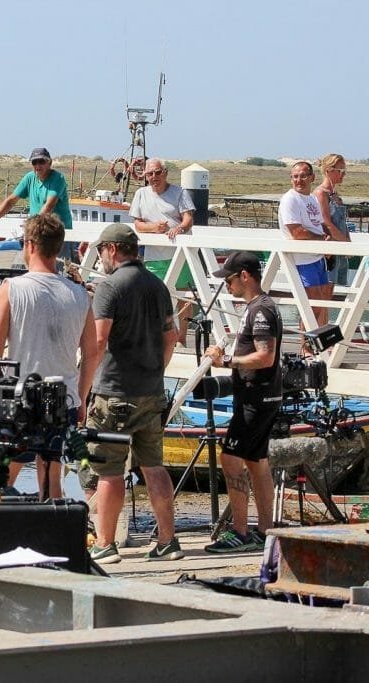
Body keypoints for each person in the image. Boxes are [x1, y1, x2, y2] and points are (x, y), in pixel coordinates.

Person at [0, 214, 99, 499]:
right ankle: (52, 523)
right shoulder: (80, 295)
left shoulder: (11, 289)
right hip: (62, 397)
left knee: (1, 476)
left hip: (21, 396)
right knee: (51, 476)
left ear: (30, 245)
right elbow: (92, 352)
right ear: (57, 248)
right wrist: (81, 397)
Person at [84, 223, 181, 564]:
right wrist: (157, 371)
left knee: (108, 471)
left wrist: (83, 386)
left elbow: (98, 341)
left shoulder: (110, 287)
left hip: (114, 391)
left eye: (101, 251)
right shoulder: (158, 286)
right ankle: (168, 540)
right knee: (154, 467)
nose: (100, 257)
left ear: (112, 249)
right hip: (151, 392)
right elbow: (171, 337)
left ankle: (105, 544)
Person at [202, 252, 282, 552]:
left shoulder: (261, 310)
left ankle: (240, 531)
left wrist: (226, 361)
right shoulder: (259, 307)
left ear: (245, 276)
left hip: (256, 397)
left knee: (231, 457)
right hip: (262, 395)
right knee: (257, 461)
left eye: (230, 279)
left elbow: (265, 356)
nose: (228, 285)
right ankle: (265, 529)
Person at [130, 158, 196, 345]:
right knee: (155, 297)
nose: (154, 177)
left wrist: (178, 229)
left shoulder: (179, 192)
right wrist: (154, 228)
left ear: (165, 173)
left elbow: (188, 219)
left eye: (158, 172)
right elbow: (137, 224)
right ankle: (166, 336)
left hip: (180, 253)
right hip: (154, 256)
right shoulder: (141, 194)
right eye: (150, 173)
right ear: (145, 176)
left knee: (184, 296)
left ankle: (182, 337)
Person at [0, 147, 75, 262]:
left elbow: (49, 205)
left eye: (41, 161)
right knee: (33, 265)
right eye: (34, 162)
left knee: (60, 267)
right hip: (37, 231)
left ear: (49, 163)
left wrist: (32, 226)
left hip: (57, 233)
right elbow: (11, 201)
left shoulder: (58, 178)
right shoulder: (29, 178)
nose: (38, 165)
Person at [278, 160, 332, 328]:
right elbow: (297, 232)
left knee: (322, 305)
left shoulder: (312, 199)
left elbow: (319, 224)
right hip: (302, 260)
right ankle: (306, 343)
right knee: (312, 307)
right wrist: (322, 239)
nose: (298, 180)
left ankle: (318, 341)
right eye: (295, 176)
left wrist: (328, 242)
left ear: (312, 178)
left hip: (317, 258)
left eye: (303, 176)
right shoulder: (290, 200)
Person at [314, 153, 351, 289]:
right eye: (340, 170)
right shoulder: (320, 193)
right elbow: (326, 223)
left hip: (340, 250)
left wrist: (348, 241)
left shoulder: (335, 195)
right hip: (330, 251)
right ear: (328, 170)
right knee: (327, 290)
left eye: (344, 170)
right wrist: (346, 243)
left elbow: (342, 223)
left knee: (339, 290)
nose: (343, 174)